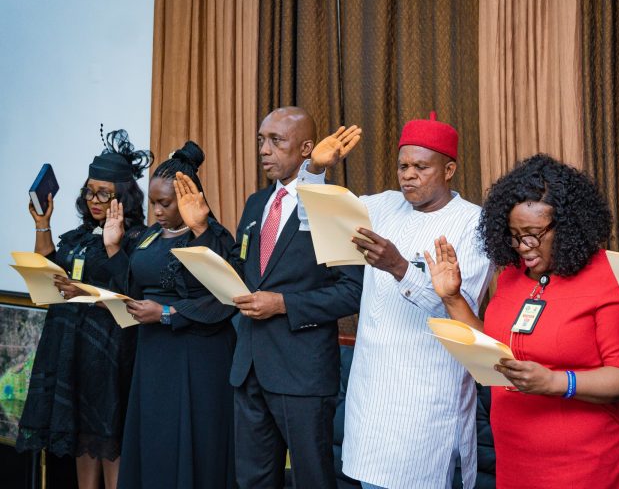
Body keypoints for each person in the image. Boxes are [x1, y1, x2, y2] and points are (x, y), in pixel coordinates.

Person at [298, 111, 493, 489]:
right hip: (371, 393)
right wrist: (316, 169)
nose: (408, 175)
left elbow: (460, 313)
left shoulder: (474, 224)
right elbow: (315, 219)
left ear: (449, 170)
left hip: (427, 399)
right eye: (403, 166)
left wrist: (400, 267)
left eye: (421, 167)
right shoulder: (383, 205)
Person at [176, 107, 364, 489]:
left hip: (303, 373)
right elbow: (240, 270)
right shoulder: (256, 203)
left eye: (276, 141)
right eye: (262, 140)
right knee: (253, 481)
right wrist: (202, 228)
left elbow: (352, 291)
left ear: (306, 148)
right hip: (249, 368)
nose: (264, 149)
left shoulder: (332, 205)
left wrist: (283, 304)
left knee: (313, 480)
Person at [428, 154, 619, 488]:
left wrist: (555, 382)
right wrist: (452, 298)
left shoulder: (606, 277)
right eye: (514, 235)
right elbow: (494, 354)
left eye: (533, 234)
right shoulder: (512, 276)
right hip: (516, 457)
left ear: (567, 226)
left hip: (587, 462)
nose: (523, 247)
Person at [16, 129, 151, 489]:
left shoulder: (138, 239)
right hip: (69, 351)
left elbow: (130, 292)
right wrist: (42, 224)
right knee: (81, 443)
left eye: (104, 193)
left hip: (108, 357)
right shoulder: (78, 237)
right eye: (89, 191)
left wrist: (112, 246)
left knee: (108, 442)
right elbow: (51, 273)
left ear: (123, 196)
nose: (94, 200)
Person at [104, 142, 237, 489]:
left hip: (197, 356)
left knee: (194, 443)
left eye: (165, 203)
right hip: (153, 354)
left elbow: (227, 298)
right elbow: (132, 288)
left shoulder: (213, 237)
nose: (158, 211)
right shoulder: (149, 237)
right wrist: (114, 248)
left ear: (188, 198)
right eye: (153, 204)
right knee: (156, 442)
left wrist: (167, 313)